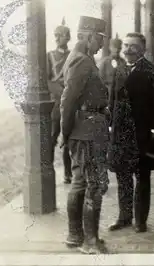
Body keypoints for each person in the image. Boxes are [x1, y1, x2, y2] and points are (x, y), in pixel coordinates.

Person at [107, 32, 154, 233]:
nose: (127, 49)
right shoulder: (119, 70)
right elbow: (112, 100)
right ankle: (124, 217)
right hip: (120, 133)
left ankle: (140, 220)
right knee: (122, 176)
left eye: (133, 46)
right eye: (125, 45)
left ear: (143, 49)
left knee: (142, 176)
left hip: (142, 134)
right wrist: (110, 126)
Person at [60, 16, 110, 254]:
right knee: (94, 185)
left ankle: (75, 236)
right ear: (88, 36)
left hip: (86, 128)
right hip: (87, 131)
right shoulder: (81, 61)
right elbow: (67, 101)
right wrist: (65, 132)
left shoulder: (83, 59)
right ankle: (90, 242)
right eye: (99, 39)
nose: (101, 44)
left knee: (80, 183)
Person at [47, 18, 73, 184]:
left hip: (70, 103)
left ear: (68, 38)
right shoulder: (49, 56)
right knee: (52, 136)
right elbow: (48, 81)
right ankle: (48, 169)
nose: (57, 38)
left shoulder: (73, 56)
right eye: (55, 35)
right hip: (56, 104)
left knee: (69, 138)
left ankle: (68, 173)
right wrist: (61, 92)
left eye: (61, 35)